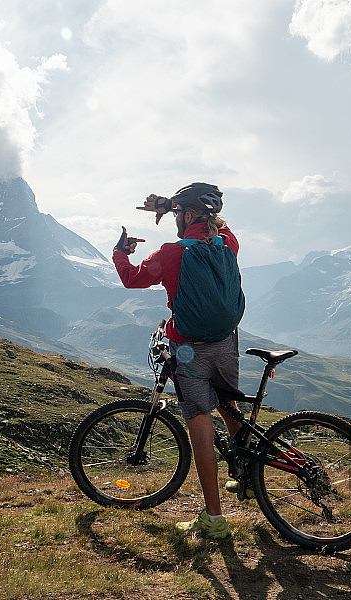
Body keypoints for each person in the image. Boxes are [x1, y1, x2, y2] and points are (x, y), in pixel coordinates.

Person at [112, 182, 242, 540]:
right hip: (226, 341)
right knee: (229, 403)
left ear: (184, 217)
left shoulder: (171, 253)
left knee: (200, 424)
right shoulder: (227, 243)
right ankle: (245, 471)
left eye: (178, 216)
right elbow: (220, 225)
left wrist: (121, 251)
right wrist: (173, 205)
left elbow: (132, 279)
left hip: (189, 348)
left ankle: (214, 518)